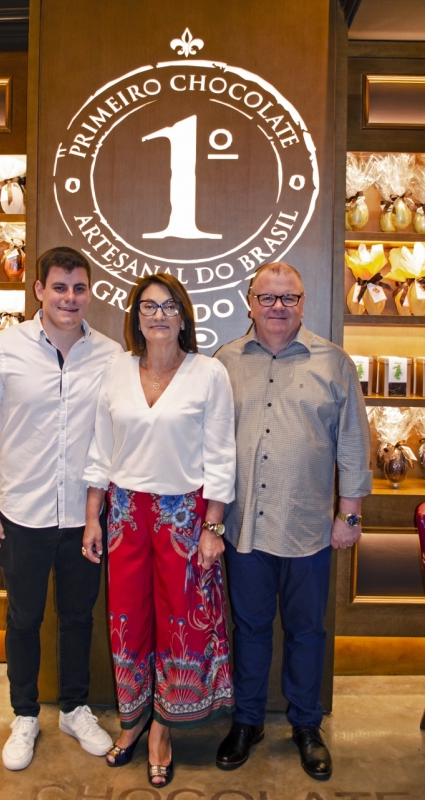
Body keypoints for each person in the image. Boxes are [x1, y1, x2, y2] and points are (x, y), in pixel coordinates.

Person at [0, 247, 122, 771]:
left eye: (79, 288)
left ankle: (74, 709)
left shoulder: (111, 354)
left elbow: (114, 434)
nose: (69, 298)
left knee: (78, 617)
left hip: (84, 516)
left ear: (89, 292)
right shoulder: (2, 348)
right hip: (21, 514)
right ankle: (24, 714)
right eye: (59, 287)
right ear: (39, 291)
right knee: (24, 618)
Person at [214, 261, 372, 781]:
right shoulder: (225, 362)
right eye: (268, 297)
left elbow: (353, 441)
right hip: (243, 527)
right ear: (250, 302)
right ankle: (248, 721)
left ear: (303, 303)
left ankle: (306, 725)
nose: (278, 307)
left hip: (309, 527)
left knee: (307, 631)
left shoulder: (334, 362)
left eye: (289, 297)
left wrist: (349, 514)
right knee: (250, 629)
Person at [82, 273, 236, 787]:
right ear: (136, 317)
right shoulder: (116, 371)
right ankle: (133, 720)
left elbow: (221, 456)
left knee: (179, 622)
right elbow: (100, 449)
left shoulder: (208, 373)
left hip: (185, 514)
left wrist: (213, 527)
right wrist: (93, 516)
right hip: (125, 512)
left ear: (184, 316)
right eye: (148, 306)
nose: (159, 315)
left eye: (169, 306)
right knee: (128, 620)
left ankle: (162, 730)